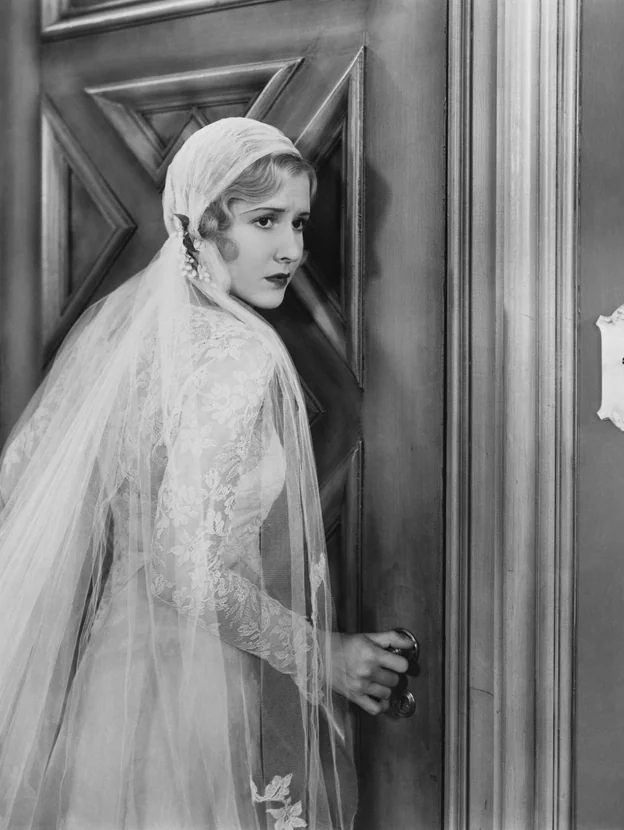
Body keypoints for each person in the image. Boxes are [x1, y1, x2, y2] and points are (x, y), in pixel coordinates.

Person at [0, 117, 411, 830]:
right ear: (201, 224)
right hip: (188, 690)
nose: (292, 249)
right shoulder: (236, 354)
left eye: (298, 223)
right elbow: (185, 570)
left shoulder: (135, 340)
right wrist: (322, 655)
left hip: (114, 674)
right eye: (264, 220)